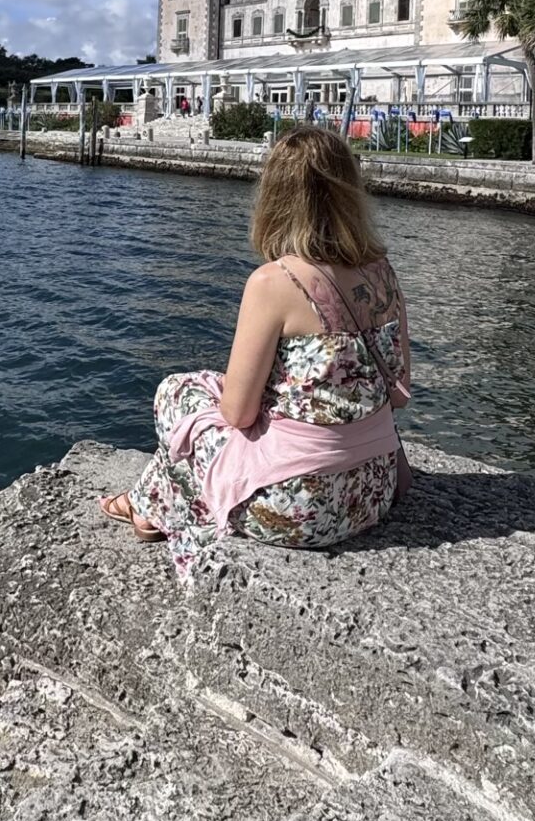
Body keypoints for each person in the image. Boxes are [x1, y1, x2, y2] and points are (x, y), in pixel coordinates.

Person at [99, 126, 411, 579]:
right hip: (372, 491)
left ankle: (146, 507)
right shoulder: (383, 272)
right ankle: (144, 506)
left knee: (178, 393)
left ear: (276, 195)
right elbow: (399, 393)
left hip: (300, 509)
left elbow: (239, 414)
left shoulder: (276, 281)